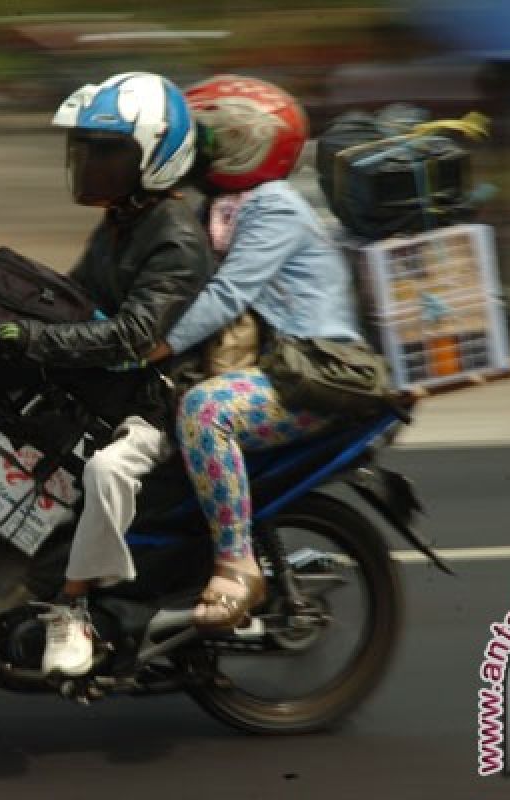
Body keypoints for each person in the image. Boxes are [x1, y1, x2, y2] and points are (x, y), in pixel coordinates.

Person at [0, 72, 215, 677]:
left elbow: (133, 336)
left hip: (157, 406)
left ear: (157, 156)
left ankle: (76, 607)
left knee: (107, 470)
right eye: (87, 151)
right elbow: (72, 299)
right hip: (113, 394)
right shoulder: (120, 224)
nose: (92, 164)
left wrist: (31, 337)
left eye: (110, 152)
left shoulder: (175, 238)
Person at [147, 75, 375, 629]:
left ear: (244, 143)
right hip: (281, 365)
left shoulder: (273, 206)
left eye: (205, 140)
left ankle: (236, 565)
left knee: (206, 412)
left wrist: (158, 346)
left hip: (318, 370)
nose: (194, 151)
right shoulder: (224, 205)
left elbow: (228, 295)